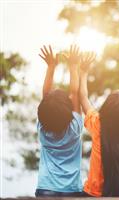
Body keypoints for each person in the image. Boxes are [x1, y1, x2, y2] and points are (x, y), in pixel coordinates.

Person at [79, 54, 119, 197]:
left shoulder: (97, 124)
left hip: (93, 194)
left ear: (105, 109)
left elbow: (83, 98)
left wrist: (83, 73)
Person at [36, 45, 83, 197]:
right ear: (68, 109)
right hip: (72, 190)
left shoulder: (43, 128)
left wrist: (51, 67)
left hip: (45, 189)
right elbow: (75, 92)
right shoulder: (75, 128)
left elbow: (45, 95)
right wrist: (73, 66)